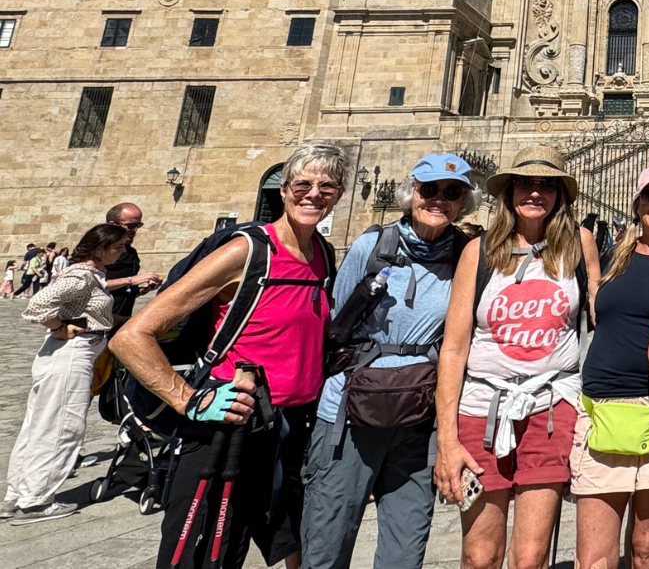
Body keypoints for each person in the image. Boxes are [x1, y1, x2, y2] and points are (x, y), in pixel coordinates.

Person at [113, 141, 344, 569]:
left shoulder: (322, 256)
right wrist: (191, 400)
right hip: (225, 427)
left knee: (234, 549)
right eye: (303, 184)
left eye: (327, 186)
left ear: (341, 193)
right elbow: (131, 336)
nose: (314, 194)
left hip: (284, 429)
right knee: (197, 555)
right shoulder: (248, 251)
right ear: (284, 188)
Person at [301, 153, 478, 569]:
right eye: (428, 189)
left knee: (405, 548)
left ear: (463, 203)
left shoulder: (467, 256)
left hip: (418, 417)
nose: (438, 200)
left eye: (452, 192)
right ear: (410, 193)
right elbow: (338, 320)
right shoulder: (372, 246)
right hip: (351, 411)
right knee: (328, 539)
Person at [434, 147, 597, 569]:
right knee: (479, 555)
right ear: (509, 192)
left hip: (551, 410)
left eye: (547, 184)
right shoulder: (479, 252)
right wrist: (447, 441)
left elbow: (605, 317)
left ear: (561, 194)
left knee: (531, 557)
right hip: (479, 411)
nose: (536, 192)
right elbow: (453, 350)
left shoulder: (580, 246)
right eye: (527, 183)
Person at [574, 163, 649, 569]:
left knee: (647, 550)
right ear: (637, 201)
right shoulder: (614, 255)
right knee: (595, 558)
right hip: (601, 408)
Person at [1, 223, 131, 524]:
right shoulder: (82, 275)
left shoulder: (90, 275)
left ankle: (18, 496)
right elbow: (39, 304)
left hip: (68, 354)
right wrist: (59, 327)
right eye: (118, 247)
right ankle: (36, 501)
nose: (122, 251)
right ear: (100, 249)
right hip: (72, 355)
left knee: (39, 426)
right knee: (62, 427)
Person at [103, 203, 162, 329]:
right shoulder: (98, 251)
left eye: (137, 225)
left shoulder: (131, 253)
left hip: (119, 324)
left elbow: (122, 291)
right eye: (130, 226)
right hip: (94, 327)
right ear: (112, 224)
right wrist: (132, 280)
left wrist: (141, 289)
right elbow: (90, 285)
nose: (134, 231)